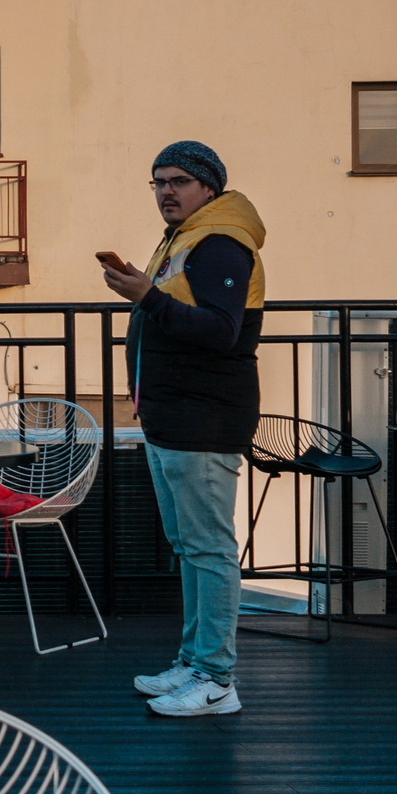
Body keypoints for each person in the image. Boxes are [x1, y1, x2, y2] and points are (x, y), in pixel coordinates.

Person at [100, 141, 266, 719]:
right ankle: (195, 661)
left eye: (178, 181)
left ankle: (217, 680)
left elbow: (221, 331)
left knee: (209, 549)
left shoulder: (220, 243)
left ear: (208, 188)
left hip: (205, 416)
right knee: (190, 546)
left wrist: (146, 296)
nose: (166, 191)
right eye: (158, 182)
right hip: (174, 415)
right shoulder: (184, 239)